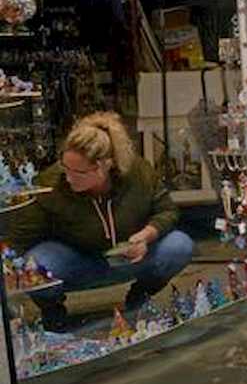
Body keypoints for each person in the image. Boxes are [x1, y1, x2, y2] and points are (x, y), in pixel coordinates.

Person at [6, 112, 194, 331]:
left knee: (179, 245)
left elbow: (167, 210)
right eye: (65, 168)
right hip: (77, 261)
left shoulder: (138, 173)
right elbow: (19, 237)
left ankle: (141, 294)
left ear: (104, 166)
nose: (68, 177)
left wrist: (146, 235)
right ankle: (53, 310)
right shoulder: (50, 185)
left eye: (78, 172)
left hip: (130, 258)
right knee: (35, 263)